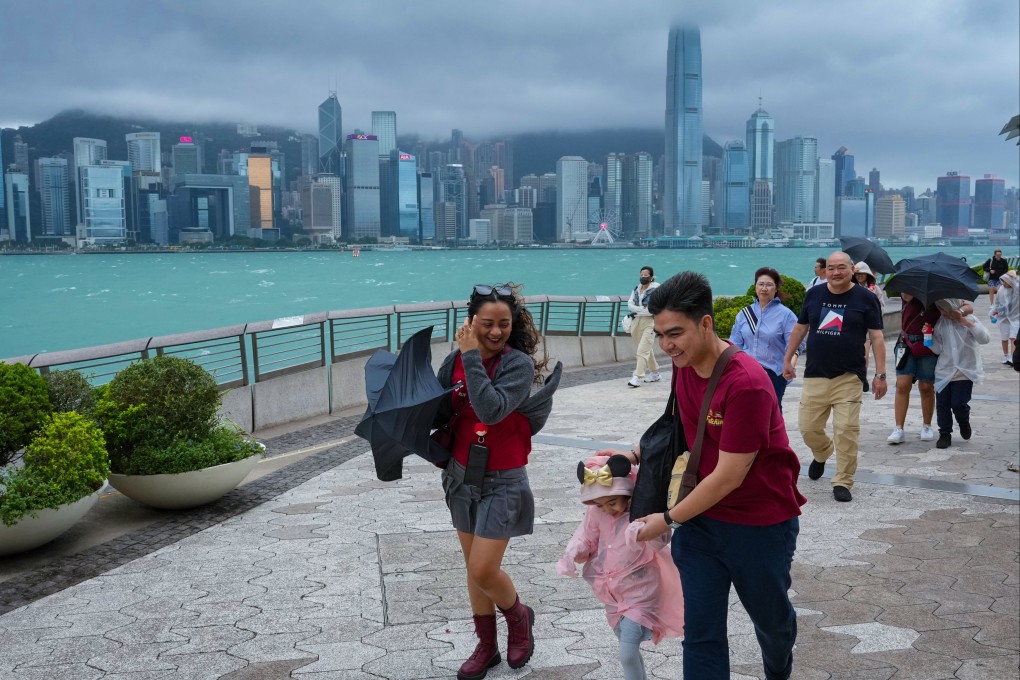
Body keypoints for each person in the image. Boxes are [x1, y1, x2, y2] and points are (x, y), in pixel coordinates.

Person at [604, 271, 805, 680]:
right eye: (660, 334)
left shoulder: (747, 383)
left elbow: (730, 475)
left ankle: (779, 669)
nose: (666, 345)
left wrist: (667, 518)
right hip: (701, 523)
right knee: (701, 634)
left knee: (772, 625)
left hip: (758, 525)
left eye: (675, 333)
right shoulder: (683, 365)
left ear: (706, 323)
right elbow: (682, 431)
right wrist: (631, 456)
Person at [435, 283, 549, 679]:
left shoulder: (515, 365)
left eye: (504, 324)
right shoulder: (452, 361)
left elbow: (492, 408)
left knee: (484, 569)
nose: (496, 332)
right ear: (471, 321)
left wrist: (470, 355)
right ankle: (487, 647)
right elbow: (438, 410)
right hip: (461, 476)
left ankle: (519, 617)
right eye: (487, 324)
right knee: (472, 568)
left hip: (503, 478)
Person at [557, 454, 684, 680]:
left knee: (626, 652)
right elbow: (587, 537)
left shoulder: (641, 510)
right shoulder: (597, 512)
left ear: (626, 494)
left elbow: (661, 539)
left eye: (612, 503)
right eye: (599, 505)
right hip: (613, 592)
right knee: (627, 647)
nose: (607, 510)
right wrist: (574, 552)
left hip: (642, 590)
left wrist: (640, 532)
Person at [783, 251, 887, 503]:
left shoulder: (865, 298)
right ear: (824, 271)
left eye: (841, 267)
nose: (836, 272)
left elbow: (876, 337)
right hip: (815, 373)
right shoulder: (814, 294)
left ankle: (843, 480)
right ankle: (822, 452)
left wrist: (880, 374)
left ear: (852, 269)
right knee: (808, 428)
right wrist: (787, 358)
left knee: (846, 430)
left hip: (849, 376)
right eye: (831, 268)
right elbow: (800, 327)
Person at [728, 267, 804, 412]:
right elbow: (734, 344)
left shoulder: (786, 315)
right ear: (755, 286)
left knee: (771, 414)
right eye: (760, 284)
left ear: (776, 289)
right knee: (745, 413)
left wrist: (790, 364)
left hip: (774, 374)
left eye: (769, 285)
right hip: (746, 372)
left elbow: (795, 344)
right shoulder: (744, 314)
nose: (764, 288)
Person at [886, 292, 944, 445]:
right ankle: (899, 428)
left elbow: (961, 308)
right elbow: (906, 296)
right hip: (906, 343)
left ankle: (926, 425)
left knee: (926, 386)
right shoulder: (911, 286)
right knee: (902, 384)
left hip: (929, 344)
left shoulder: (939, 293)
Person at [931, 299, 989, 449]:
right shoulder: (940, 323)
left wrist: (967, 323)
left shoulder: (970, 318)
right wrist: (928, 336)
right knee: (942, 404)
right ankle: (944, 434)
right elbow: (937, 349)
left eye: (945, 309)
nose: (943, 312)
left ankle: (964, 421)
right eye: (940, 309)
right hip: (944, 370)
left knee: (958, 403)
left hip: (965, 370)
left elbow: (985, 339)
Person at [626, 266, 662, 388]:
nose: (643, 277)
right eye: (641, 275)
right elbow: (630, 304)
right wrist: (641, 310)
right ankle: (655, 373)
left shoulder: (656, 289)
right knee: (646, 349)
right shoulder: (636, 288)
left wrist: (640, 310)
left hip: (650, 322)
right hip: (636, 321)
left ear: (651, 277)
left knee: (642, 350)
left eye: (646, 275)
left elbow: (652, 310)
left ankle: (637, 376)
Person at [853, 261, 886, 384]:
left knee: (864, 355)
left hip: (868, 328)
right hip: (854, 326)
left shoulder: (875, 289)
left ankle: (862, 377)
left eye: (862, 274)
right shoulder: (852, 287)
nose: (860, 276)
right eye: (857, 274)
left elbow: (882, 307)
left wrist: (872, 299)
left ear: (867, 275)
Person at [990, 270, 1019, 366]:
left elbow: (1018, 283)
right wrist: (992, 313)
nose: (1004, 283)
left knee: (1013, 337)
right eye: (1003, 281)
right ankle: (1006, 355)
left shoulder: (1016, 289)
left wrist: (1014, 276)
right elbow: (996, 303)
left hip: (1015, 317)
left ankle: (1012, 357)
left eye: (1006, 281)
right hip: (1003, 318)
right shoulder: (1001, 290)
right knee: (1004, 338)